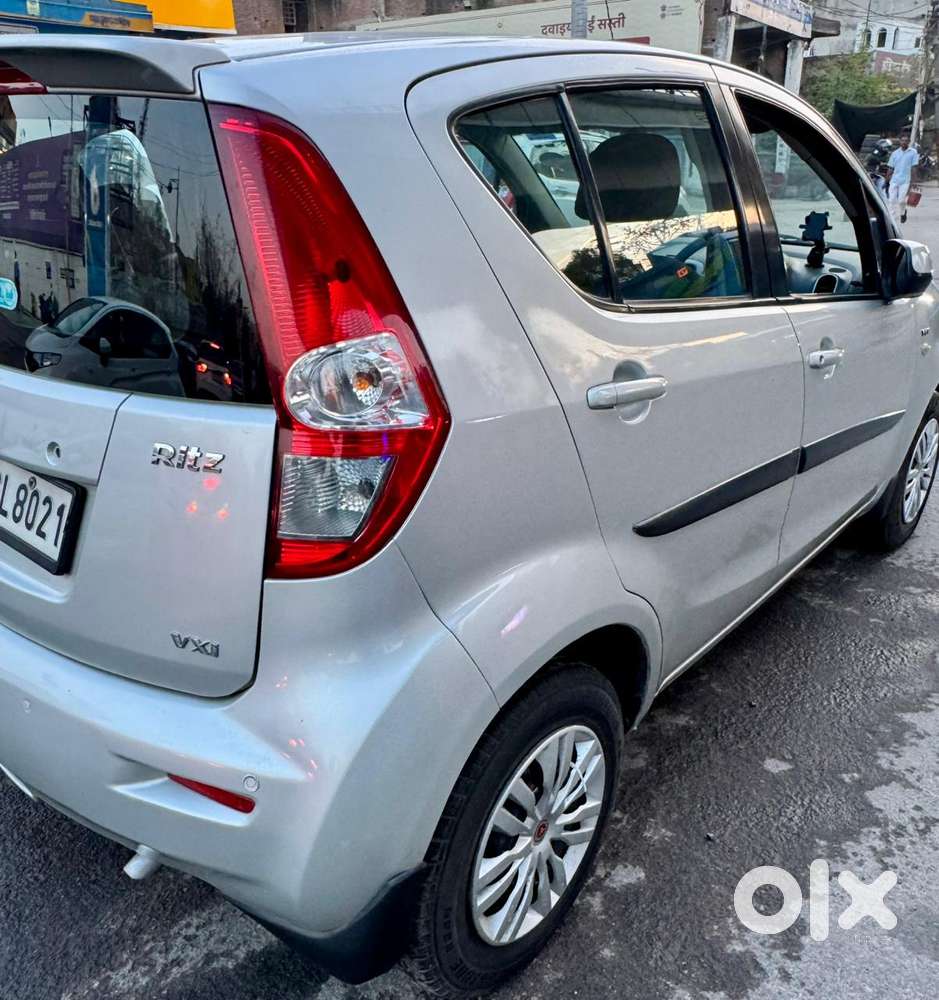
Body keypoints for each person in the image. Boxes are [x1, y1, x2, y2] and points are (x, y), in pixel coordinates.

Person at [886, 134, 919, 226]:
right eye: (902, 140)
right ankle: (892, 219)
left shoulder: (913, 152)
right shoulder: (895, 153)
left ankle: (903, 212)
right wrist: (887, 178)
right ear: (899, 141)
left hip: (905, 180)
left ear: (909, 142)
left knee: (901, 200)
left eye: (906, 140)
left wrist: (914, 181)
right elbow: (891, 167)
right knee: (891, 200)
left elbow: (914, 167)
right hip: (894, 180)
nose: (904, 142)